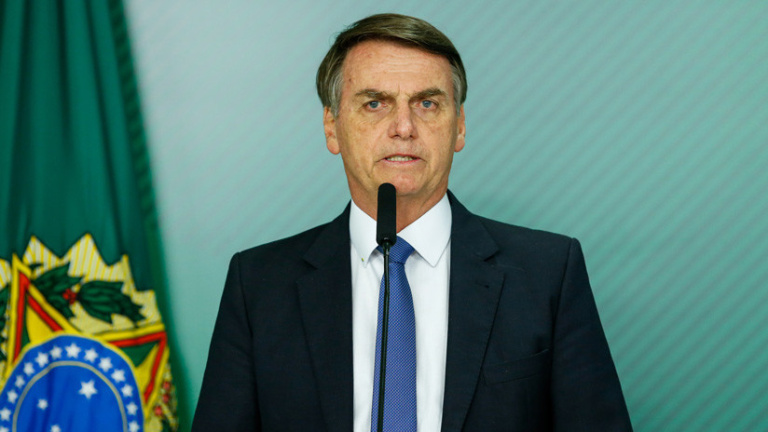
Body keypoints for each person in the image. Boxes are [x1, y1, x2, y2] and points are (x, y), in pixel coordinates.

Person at [192, 13, 632, 432]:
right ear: (332, 126)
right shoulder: (259, 284)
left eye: (426, 103)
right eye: (374, 103)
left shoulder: (547, 272)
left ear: (459, 126)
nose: (403, 127)